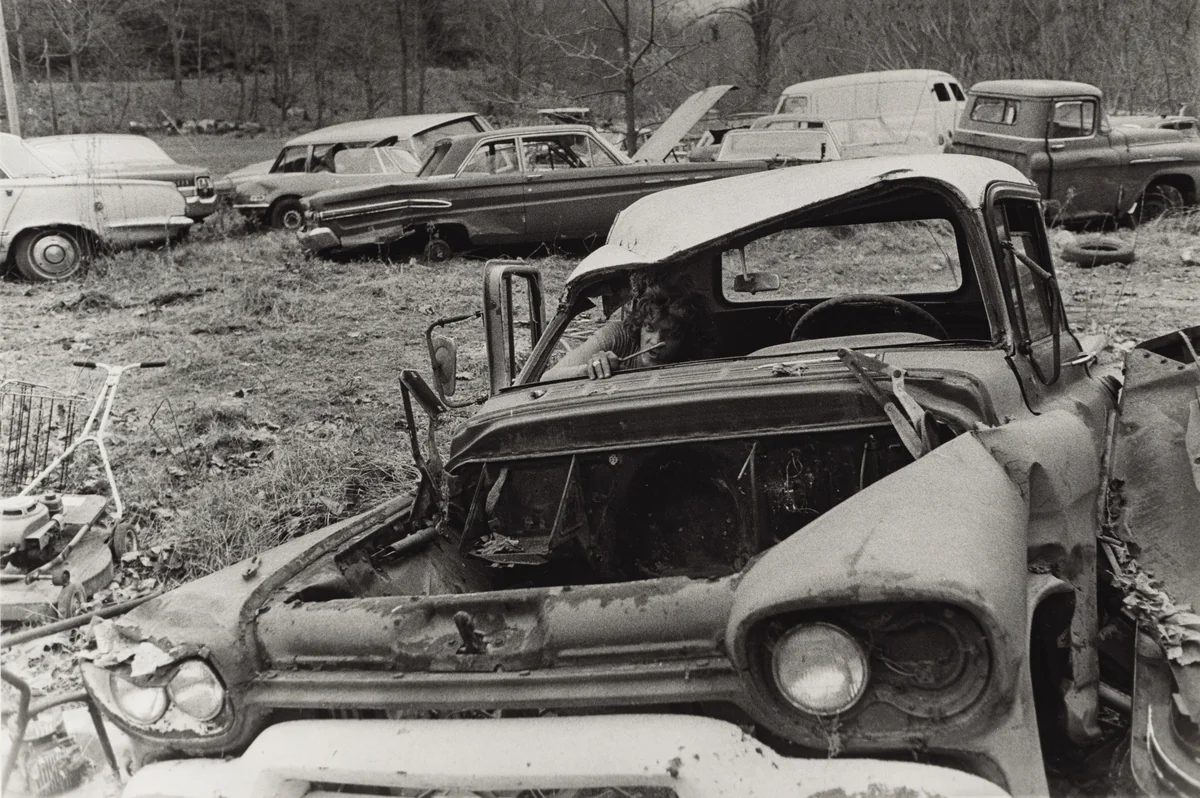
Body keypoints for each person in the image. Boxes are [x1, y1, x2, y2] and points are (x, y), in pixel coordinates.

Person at [544, 276, 713, 380]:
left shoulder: (694, 363)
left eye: (671, 334)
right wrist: (590, 368)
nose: (656, 342)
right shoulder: (616, 337)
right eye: (650, 328)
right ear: (639, 324)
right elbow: (547, 379)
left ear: (686, 339)